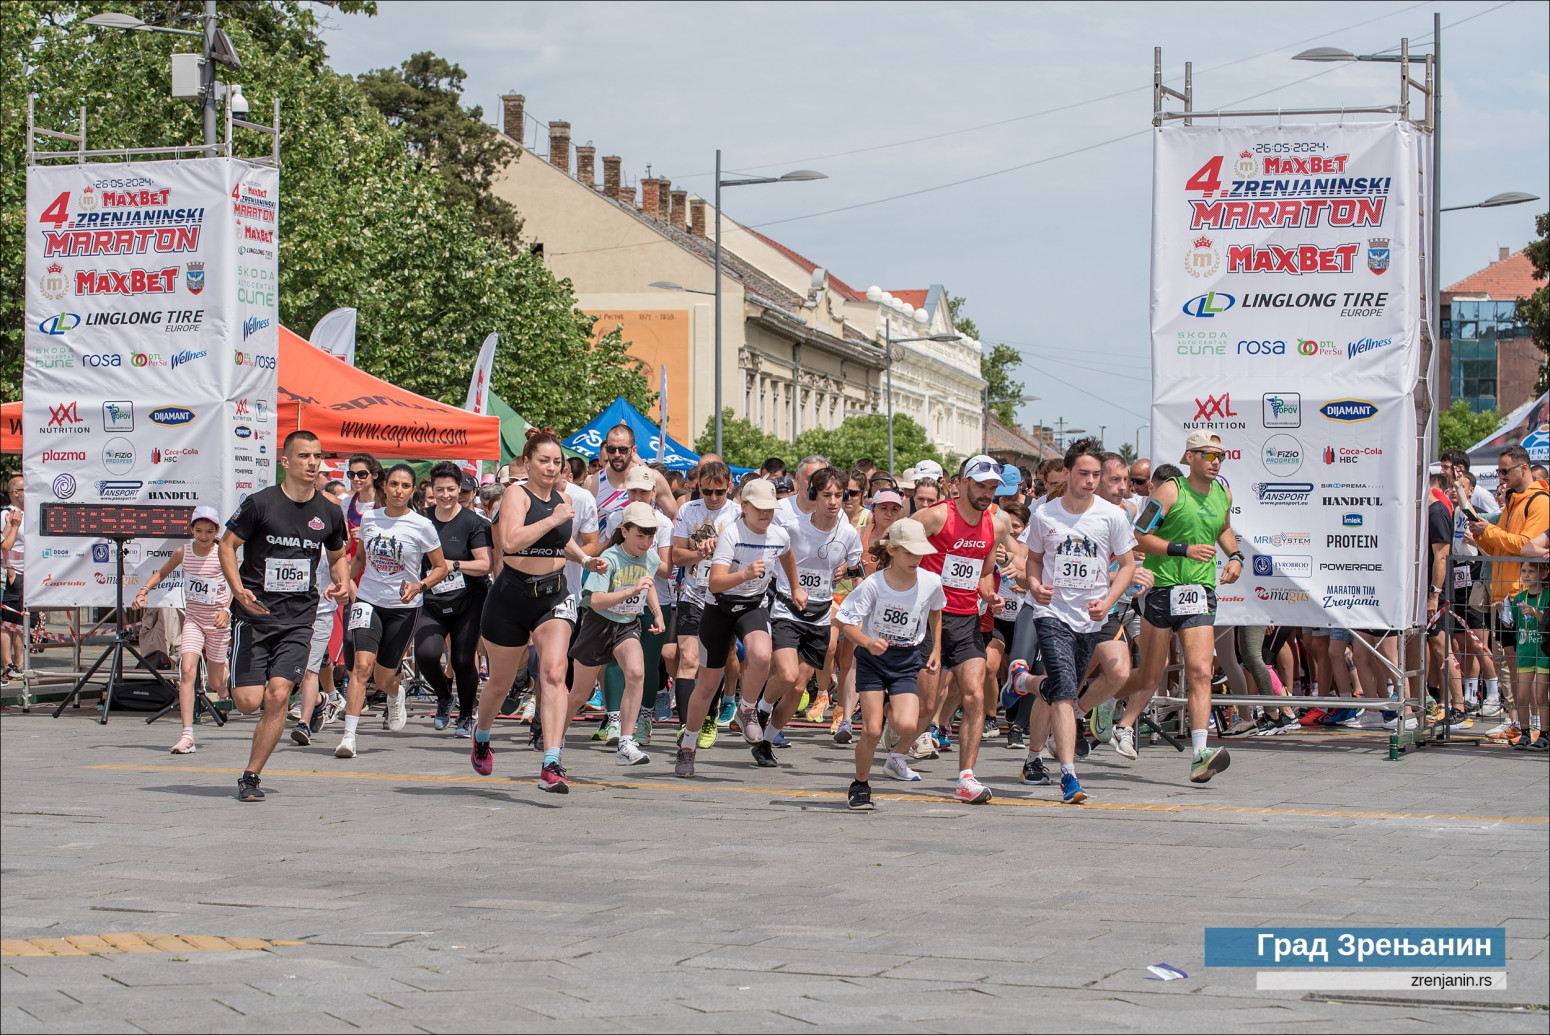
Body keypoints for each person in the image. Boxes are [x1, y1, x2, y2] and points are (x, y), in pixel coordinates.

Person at [470, 429, 607, 793]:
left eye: (556, 462)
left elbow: (562, 540)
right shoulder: (516, 494)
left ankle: (551, 761)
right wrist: (554, 517)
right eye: (543, 461)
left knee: (553, 673)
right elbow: (511, 541)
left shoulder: (563, 498)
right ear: (528, 463)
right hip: (511, 597)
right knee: (500, 683)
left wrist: (585, 559)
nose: (550, 467)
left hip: (553, 595)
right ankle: (481, 735)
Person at [220, 431, 350, 802]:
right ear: (286, 461)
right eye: (304, 456)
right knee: (247, 702)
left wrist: (341, 581)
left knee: (278, 696)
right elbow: (227, 545)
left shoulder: (329, 511)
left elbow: (337, 556)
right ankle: (243, 674)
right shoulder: (260, 504)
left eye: (317, 456)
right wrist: (237, 590)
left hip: (299, 619)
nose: (312, 462)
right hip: (254, 616)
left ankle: (251, 776)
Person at [1107, 431, 1240, 783]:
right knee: (1150, 675)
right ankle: (1096, 703)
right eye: (1208, 455)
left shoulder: (1223, 493)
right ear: (1190, 457)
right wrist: (1183, 549)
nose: (1215, 462)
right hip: (1163, 589)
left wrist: (1235, 556)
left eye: (1220, 456)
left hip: (1200, 591)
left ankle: (1200, 754)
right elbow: (1139, 534)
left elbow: (1224, 529)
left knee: (1200, 671)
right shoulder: (1170, 491)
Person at [1017, 440, 1136, 804]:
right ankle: (1069, 776)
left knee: (1061, 688)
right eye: (1083, 473)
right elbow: (1033, 559)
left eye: (1096, 475)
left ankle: (1024, 686)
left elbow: (1128, 566)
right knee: (1065, 693)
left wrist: (1108, 602)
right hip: (1052, 614)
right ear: (1067, 473)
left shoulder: (1112, 515)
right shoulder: (1045, 515)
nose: (1090, 481)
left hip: (1091, 617)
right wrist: (1034, 584)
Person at [907, 455, 1024, 804]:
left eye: (993, 487)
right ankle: (898, 746)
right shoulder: (936, 516)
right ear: (962, 484)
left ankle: (965, 778)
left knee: (974, 694)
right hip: (929, 616)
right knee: (927, 703)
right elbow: (894, 540)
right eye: (981, 485)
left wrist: (990, 594)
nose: (987, 493)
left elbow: (985, 573)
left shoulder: (997, 526)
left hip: (966, 619)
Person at [673, 478, 804, 778]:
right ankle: (688, 746)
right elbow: (716, 583)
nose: (765, 514)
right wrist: (745, 574)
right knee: (707, 685)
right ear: (744, 506)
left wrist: (796, 587)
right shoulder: (731, 533)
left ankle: (747, 707)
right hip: (719, 607)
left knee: (762, 654)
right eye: (758, 508)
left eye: (770, 509)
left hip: (752, 606)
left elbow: (787, 554)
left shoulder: (778, 534)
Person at [337, 464, 448, 758]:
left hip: (403, 607)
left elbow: (441, 568)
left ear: (412, 491)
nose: (399, 491)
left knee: (383, 678)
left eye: (405, 486)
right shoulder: (370, 518)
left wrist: (420, 586)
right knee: (361, 667)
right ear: (385, 487)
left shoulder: (422, 525)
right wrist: (344, 581)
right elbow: (360, 559)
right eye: (394, 484)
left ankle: (395, 694)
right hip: (368, 600)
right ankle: (349, 737)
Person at [757, 467, 863, 766]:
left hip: (819, 615)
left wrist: (850, 583)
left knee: (798, 687)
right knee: (788, 674)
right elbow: (771, 555)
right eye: (827, 495)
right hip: (787, 610)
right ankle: (758, 709)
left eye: (839, 495)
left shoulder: (848, 534)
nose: (833, 501)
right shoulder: (792, 528)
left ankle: (766, 742)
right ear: (814, 495)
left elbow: (855, 570)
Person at [836, 518, 946, 807]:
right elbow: (846, 623)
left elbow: (936, 610)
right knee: (872, 731)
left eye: (919, 553)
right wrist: (867, 642)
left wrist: (936, 649)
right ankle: (860, 784)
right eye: (909, 553)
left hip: (906, 659)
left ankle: (888, 706)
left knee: (908, 725)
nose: (915, 559)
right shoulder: (874, 585)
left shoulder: (931, 582)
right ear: (893, 550)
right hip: (873, 660)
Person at [566, 501, 668, 766]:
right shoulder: (609, 559)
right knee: (580, 693)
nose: (646, 543)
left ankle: (626, 742)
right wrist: (631, 591)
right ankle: (554, 734)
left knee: (636, 672)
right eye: (640, 536)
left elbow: (648, 584)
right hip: (598, 625)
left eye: (650, 537)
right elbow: (596, 601)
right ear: (624, 532)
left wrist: (656, 611)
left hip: (627, 625)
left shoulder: (650, 557)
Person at [1467, 445, 1549, 743]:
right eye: (1498, 471)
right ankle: (1520, 723)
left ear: (1523, 468)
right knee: (1513, 668)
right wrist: (1481, 534)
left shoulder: (1539, 501)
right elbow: (1501, 547)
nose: (1500, 477)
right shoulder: (1513, 501)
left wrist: (1490, 531)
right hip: (1505, 596)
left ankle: (1534, 726)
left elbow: (1525, 545)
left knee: (1528, 669)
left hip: (1524, 595)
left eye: (1504, 471)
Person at [133, 507, 231, 754]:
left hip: (217, 622)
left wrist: (226, 610)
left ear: (217, 531)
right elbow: (161, 573)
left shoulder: (223, 553)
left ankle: (224, 674)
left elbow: (236, 585)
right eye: (199, 531)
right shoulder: (183, 552)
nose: (203, 536)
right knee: (187, 670)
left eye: (209, 531)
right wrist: (143, 591)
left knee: (215, 682)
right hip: (194, 620)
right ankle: (187, 735)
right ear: (191, 530)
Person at [594, 466, 676, 745]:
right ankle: (613, 719)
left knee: (648, 664)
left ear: (654, 492)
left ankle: (645, 719)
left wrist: (641, 551)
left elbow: (666, 569)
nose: (638, 496)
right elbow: (606, 553)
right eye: (633, 491)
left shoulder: (663, 524)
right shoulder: (616, 517)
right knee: (615, 660)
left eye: (643, 491)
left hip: (655, 599)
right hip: (618, 598)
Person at [415, 462, 494, 737]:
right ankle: (444, 696)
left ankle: (466, 714)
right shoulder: (421, 520)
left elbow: (485, 564)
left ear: (460, 489)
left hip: (468, 600)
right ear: (431, 489)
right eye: (439, 489)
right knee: (425, 654)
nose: (446, 495)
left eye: (451, 489)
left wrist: (453, 565)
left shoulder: (474, 523)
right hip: (431, 599)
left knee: (462, 660)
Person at [668, 460, 742, 745]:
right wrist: (699, 553)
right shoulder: (688, 510)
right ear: (698, 486)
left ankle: (709, 717)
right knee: (688, 659)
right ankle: (686, 726)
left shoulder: (738, 513)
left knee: (713, 663)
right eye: (706, 491)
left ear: (729, 487)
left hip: (723, 597)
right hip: (692, 593)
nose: (712, 497)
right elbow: (676, 555)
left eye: (719, 492)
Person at [1, 476, 27, 681]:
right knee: (7, 621)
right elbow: (4, 545)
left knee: (20, 621)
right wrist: (10, 570)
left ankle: (19, 663)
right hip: (12, 573)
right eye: (25, 489)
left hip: (28, 573)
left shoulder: (29, 514)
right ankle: (8, 665)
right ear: (15, 493)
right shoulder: (6, 514)